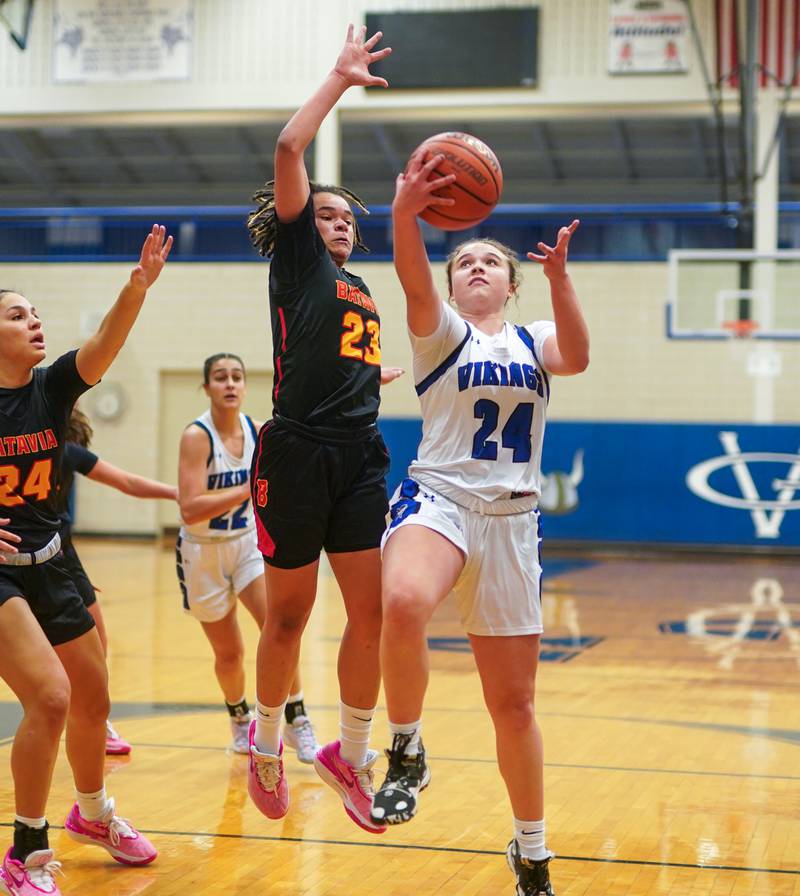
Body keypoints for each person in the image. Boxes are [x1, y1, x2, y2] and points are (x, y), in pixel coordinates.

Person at [371, 151, 590, 896]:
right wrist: (405, 215)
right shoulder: (440, 335)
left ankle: (531, 849)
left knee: (515, 705)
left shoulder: (533, 342)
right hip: (439, 501)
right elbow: (410, 279)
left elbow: (580, 356)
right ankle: (405, 748)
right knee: (400, 602)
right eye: (463, 260)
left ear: (509, 281)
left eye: (488, 262)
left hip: (512, 525)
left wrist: (562, 282)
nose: (473, 268)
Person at [244, 24, 399, 833]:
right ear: (303, 223)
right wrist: (337, 80)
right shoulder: (298, 259)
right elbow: (288, 146)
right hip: (297, 449)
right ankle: (267, 739)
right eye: (325, 214)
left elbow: (338, 355)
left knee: (369, 613)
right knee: (291, 615)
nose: (337, 223)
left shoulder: (360, 288)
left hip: (360, 455)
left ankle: (351, 751)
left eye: (345, 219)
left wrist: (375, 377)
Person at [0, 225, 172, 896]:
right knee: (49, 697)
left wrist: (138, 287)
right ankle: (26, 852)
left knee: (94, 699)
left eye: (35, 314)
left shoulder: (49, 392)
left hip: (51, 563)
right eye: (18, 315)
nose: (34, 321)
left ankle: (93, 815)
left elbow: (104, 345)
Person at [176, 352, 318, 761]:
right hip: (202, 552)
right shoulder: (196, 436)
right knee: (230, 653)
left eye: (237, 376)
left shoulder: (258, 430)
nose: (230, 384)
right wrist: (246, 490)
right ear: (207, 388)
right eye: (220, 377)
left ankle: (298, 718)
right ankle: (239, 716)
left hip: (247, 544)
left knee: (280, 626)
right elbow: (190, 507)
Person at [60, 406, 178, 755]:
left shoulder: (69, 453)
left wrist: (176, 493)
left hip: (62, 553)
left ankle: (95, 718)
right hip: (28, 555)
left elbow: (126, 481)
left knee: (97, 636)